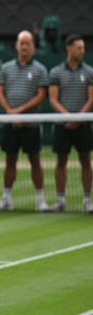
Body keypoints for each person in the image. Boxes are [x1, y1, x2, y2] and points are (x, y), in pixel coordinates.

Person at [0, 31, 49, 211]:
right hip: (11, 123)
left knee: (35, 160)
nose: (24, 47)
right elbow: (0, 92)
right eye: (21, 43)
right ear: (17, 46)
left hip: (31, 124)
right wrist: (10, 112)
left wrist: (20, 112)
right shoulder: (6, 68)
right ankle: (7, 197)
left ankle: (41, 200)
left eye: (27, 44)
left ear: (33, 46)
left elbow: (41, 96)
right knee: (10, 160)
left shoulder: (40, 69)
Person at [49, 34, 93, 213]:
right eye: (79, 48)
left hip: (84, 124)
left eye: (83, 48)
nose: (82, 51)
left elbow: (91, 98)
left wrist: (79, 118)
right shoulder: (56, 72)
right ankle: (60, 200)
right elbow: (53, 99)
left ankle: (88, 200)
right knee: (61, 161)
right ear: (69, 48)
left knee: (86, 161)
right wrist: (67, 117)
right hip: (62, 125)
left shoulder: (90, 72)